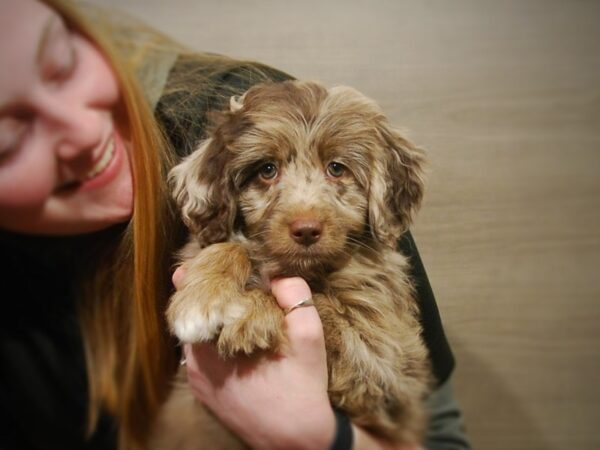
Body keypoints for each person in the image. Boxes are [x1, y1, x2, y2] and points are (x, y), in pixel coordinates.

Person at [0, 0, 471, 449]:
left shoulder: (241, 109)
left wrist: (320, 439)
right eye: (9, 139)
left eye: (62, 63)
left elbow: (431, 434)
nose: (82, 133)